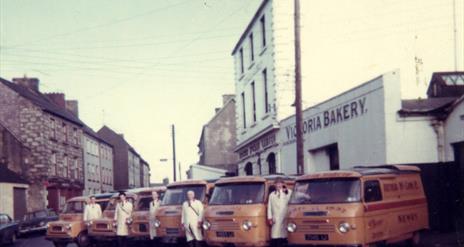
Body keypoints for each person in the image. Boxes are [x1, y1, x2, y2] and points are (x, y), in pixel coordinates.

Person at [267, 178, 293, 247]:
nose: (278, 185)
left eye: (280, 183)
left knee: (284, 236)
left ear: (283, 184)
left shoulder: (287, 192)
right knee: (275, 237)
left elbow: (291, 199)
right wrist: (270, 218)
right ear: (275, 185)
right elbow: (269, 207)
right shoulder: (272, 195)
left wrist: (285, 190)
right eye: (277, 183)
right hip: (275, 218)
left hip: (285, 218)